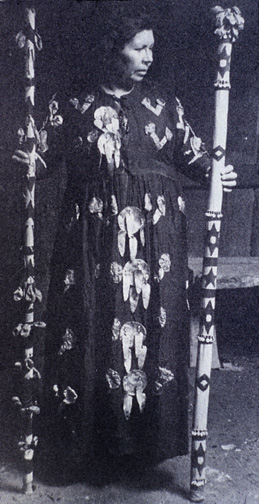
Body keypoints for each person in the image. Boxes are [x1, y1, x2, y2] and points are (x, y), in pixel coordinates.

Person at [13, 1, 237, 471]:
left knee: (155, 332)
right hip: (92, 247)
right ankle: (89, 448)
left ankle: (145, 448)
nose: (149, 56)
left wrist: (219, 170)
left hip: (158, 249)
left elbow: (194, 154)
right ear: (115, 52)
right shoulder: (75, 107)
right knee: (92, 327)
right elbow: (39, 161)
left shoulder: (164, 106)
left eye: (152, 47)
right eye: (140, 48)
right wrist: (28, 160)